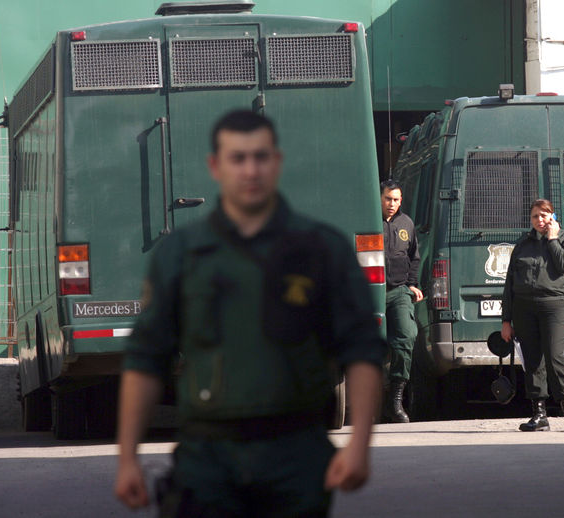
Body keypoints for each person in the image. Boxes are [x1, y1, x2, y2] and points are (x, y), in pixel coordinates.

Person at [114, 110, 386, 517]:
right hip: (208, 456)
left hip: (295, 451)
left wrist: (360, 444)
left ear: (277, 161)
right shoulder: (181, 256)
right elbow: (146, 360)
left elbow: (363, 352)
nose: (250, 169)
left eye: (260, 157)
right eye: (237, 158)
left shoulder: (321, 250)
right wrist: (126, 459)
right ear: (215, 166)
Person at [501, 199, 564, 433]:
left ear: (553, 217)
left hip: (554, 305)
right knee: (532, 360)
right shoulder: (522, 245)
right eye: (535, 216)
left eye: (545, 215)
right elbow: (509, 285)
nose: (540, 220)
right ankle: (539, 415)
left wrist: (553, 238)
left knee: (555, 357)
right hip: (524, 308)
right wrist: (506, 320)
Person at [380, 179, 422, 423]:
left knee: (406, 335)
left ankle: (395, 402)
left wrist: (412, 284)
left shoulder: (406, 223)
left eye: (396, 199)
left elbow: (414, 257)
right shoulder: (369, 220)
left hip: (398, 291)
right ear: (380, 197)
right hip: (369, 292)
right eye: (388, 198)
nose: (392, 204)